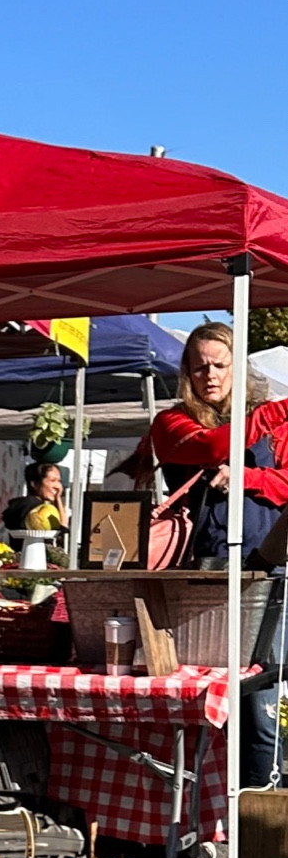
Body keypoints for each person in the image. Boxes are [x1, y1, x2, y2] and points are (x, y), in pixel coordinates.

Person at [124, 321, 288, 783]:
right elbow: (215, 446)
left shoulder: (271, 426)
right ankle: (206, 814)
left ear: (238, 367)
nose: (210, 375)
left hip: (269, 573)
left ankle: (261, 814)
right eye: (199, 368)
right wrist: (277, 413)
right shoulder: (172, 422)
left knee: (262, 704)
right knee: (204, 700)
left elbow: (286, 483)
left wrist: (249, 478)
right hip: (202, 578)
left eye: (219, 365)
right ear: (186, 373)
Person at [1, 461, 67, 540]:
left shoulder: (35, 505)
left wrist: (58, 499)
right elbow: (62, 527)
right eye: (52, 480)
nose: (58, 487)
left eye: (59, 481)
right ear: (35, 484)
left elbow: (63, 528)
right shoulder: (30, 505)